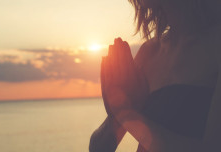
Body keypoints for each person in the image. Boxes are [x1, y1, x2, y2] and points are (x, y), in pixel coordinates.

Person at [89, 0, 221, 151]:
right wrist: (116, 114)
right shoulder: (149, 52)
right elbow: (99, 148)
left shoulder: (216, 46)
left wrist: (126, 115)